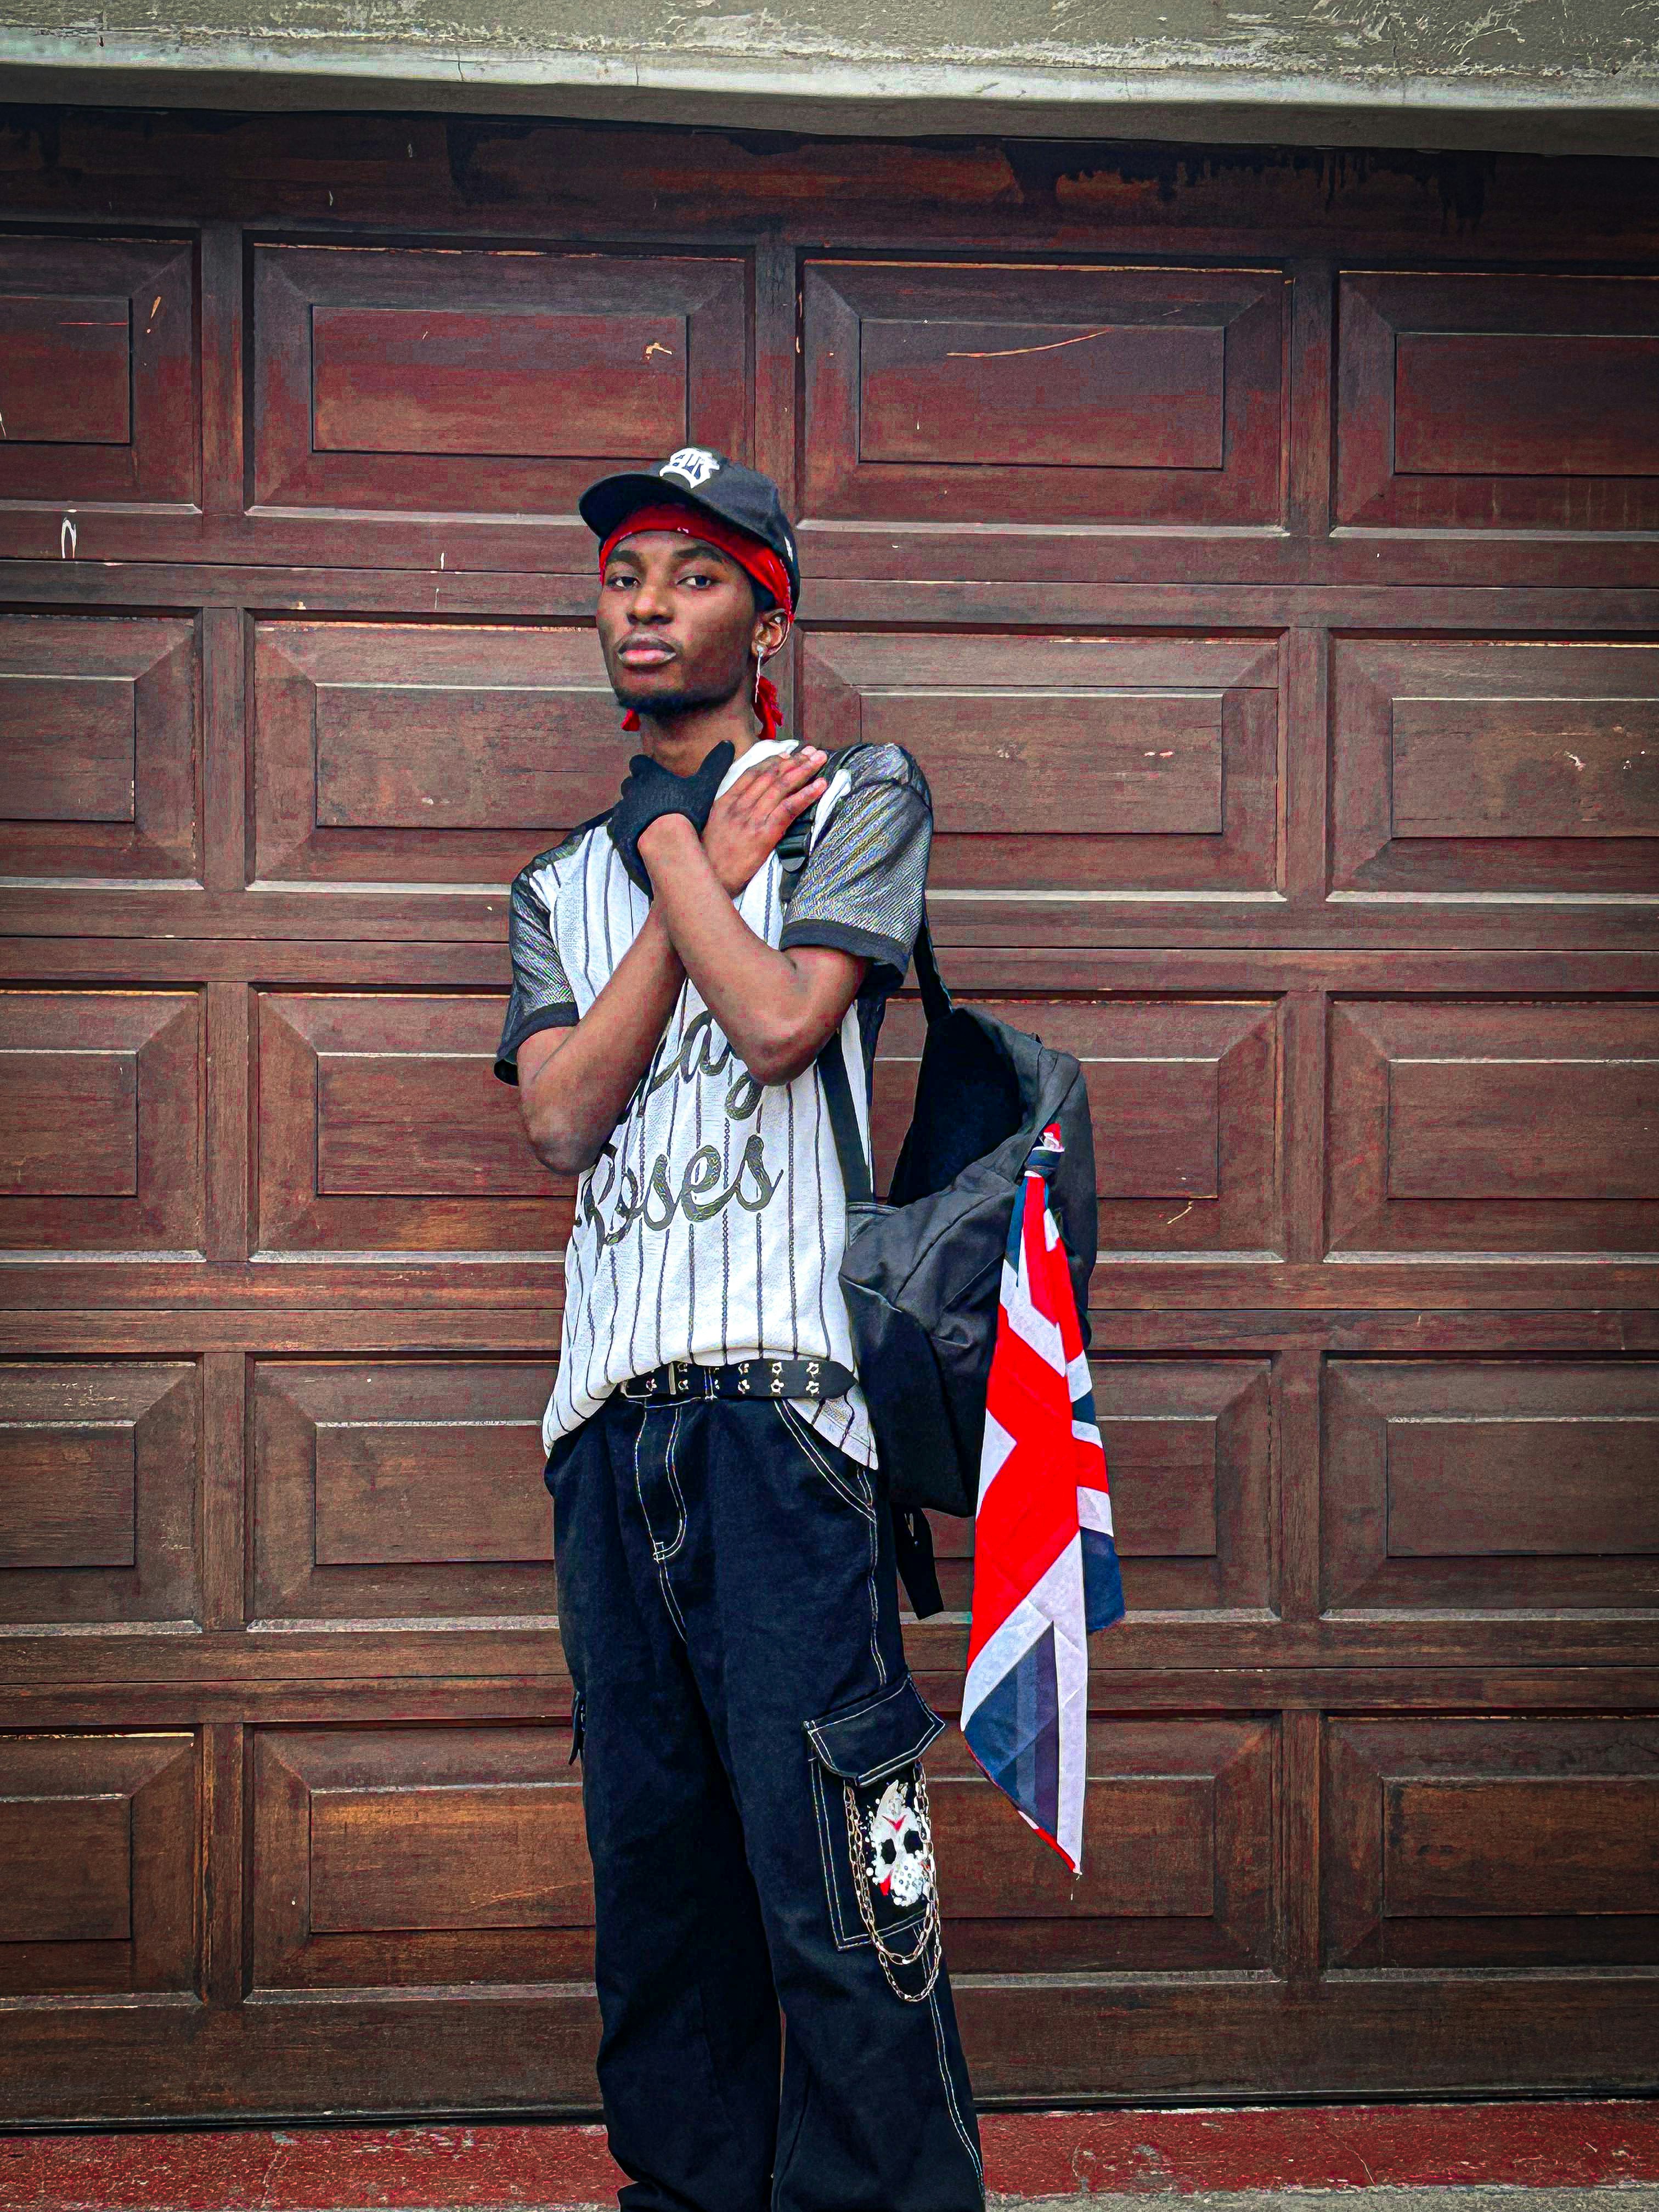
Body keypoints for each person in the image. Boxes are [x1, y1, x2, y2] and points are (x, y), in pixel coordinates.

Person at [494, 447, 984, 2212]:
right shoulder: (564, 879)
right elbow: (562, 1120)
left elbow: (781, 1023)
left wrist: (694, 854)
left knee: (838, 1889)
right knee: (665, 1896)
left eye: (692, 578)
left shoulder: (860, 792)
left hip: (788, 1423)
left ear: (766, 611)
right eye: (624, 576)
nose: (646, 608)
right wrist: (676, 852)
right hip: (609, 1428)